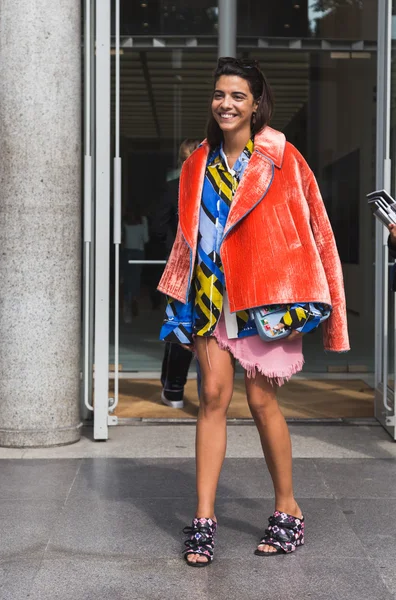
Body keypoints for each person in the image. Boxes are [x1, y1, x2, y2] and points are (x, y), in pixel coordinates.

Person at [158, 57, 349, 567]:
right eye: (220, 94)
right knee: (212, 398)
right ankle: (204, 519)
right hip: (210, 297)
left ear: (256, 103)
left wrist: (328, 301)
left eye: (238, 96)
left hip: (266, 300)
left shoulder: (284, 158)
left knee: (262, 402)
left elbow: (317, 230)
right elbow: (187, 235)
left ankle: (288, 509)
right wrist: (178, 298)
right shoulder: (199, 161)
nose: (226, 103)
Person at [154, 139, 201, 408]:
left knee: (187, 326)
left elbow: (159, 226)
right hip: (185, 269)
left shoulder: (182, 188)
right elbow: (159, 226)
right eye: (186, 157)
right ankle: (172, 387)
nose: (189, 161)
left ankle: (171, 386)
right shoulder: (177, 189)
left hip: (197, 268)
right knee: (182, 326)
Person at [122, 209, 149, 324]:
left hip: (128, 252)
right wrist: (145, 223)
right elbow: (146, 239)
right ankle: (133, 301)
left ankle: (127, 303)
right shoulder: (141, 223)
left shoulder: (125, 223)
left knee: (127, 279)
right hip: (138, 252)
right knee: (136, 279)